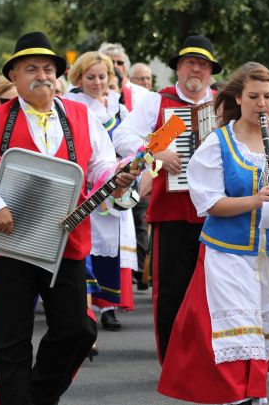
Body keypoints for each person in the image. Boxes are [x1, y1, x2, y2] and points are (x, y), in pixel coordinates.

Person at [0, 31, 139, 405]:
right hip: (11, 246)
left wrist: (117, 179)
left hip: (67, 243)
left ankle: (38, 395)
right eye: (31, 68)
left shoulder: (82, 117)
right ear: (15, 78)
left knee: (77, 332)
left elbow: (100, 166)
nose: (42, 75)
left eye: (49, 68)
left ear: (59, 76)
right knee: (9, 340)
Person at [158, 61, 269, 405]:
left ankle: (253, 393)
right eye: (253, 96)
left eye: (267, 96)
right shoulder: (218, 143)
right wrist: (255, 199)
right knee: (238, 331)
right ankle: (241, 397)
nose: (261, 104)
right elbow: (209, 202)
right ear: (238, 97)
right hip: (228, 252)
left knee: (263, 329)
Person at [113, 34, 221, 362]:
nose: (196, 70)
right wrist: (157, 149)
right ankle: (173, 358)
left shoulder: (221, 102)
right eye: (190, 63)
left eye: (202, 65)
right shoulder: (158, 101)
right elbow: (122, 135)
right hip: (172, 209)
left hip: (217, 211)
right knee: (171, 290)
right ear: (178, 67)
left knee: (214, 289)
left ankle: (208, 355)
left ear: (210, 72)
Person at [64, 51, 137, 332]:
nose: (96, 82)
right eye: (90, 77)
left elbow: (131, 142)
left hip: (113, 184)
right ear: (79, 79)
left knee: (109, 246)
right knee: (83, 245)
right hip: (84, 184)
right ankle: (82, 306)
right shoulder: (72, 104)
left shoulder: (119, 107)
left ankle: (107, 305)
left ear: (110, 78)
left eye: (102, 76)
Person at [98, 42, 149, 111]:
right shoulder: (94, 89)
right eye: (111, 62)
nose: (115, 65)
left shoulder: (144, 94)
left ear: (125, 66)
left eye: (119, 63)